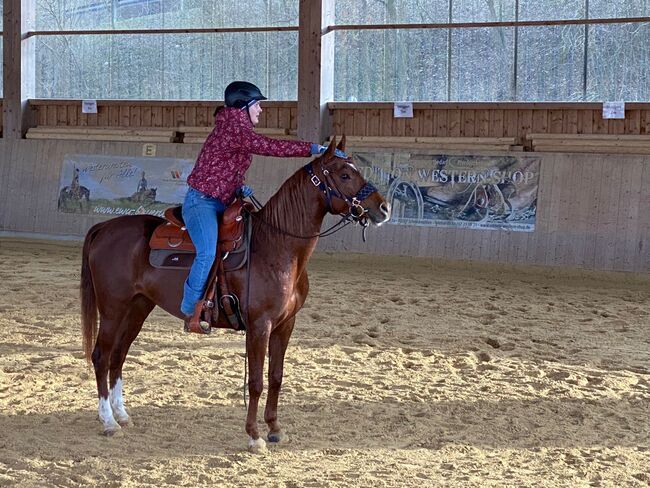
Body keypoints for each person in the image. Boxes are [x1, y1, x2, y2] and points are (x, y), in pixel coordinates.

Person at [181, 81, 344, 334]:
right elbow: (269, 146)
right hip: (201, 202)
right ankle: (191, 309)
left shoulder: (234, 127)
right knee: (206, 253)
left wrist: (237, 187)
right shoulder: (235, 128)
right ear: (244, 106)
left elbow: (227, 166)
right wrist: (312, 149)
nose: (260, 110)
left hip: (221, 200)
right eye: (257, 104)